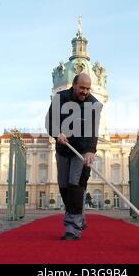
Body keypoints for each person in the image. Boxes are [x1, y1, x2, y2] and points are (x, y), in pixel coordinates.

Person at [46, 73, 103, 241]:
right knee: (64, 186)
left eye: (88, 88)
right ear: (74, 85)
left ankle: (73, 228)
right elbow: (50, 121)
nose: (85, 91)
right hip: (63, 148)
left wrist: (91, 150)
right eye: (82, 88)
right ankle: (79, 216)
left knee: (75, 186)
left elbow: (94, 130)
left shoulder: (94, 104)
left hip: (81, 151)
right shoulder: (60, 98)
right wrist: (57, 134)